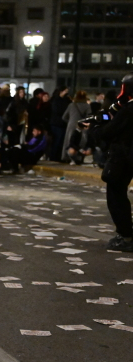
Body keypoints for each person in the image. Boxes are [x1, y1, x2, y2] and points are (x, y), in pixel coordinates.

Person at [88, 73, 133, 252]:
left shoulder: (129, 109)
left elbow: (108, 132)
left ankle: (126, 236)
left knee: (116, 196)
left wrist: (95, 127)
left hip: (122, 158)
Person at [61, 91, 92, 162]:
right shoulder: (87, 106)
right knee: (80, 142)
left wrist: (70, 122)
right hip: (82, 126)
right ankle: (78, 158)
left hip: (71, 126)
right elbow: (89, 117)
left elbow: (64, 117)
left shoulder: (71, 105)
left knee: (69, 142)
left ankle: (66, 157)